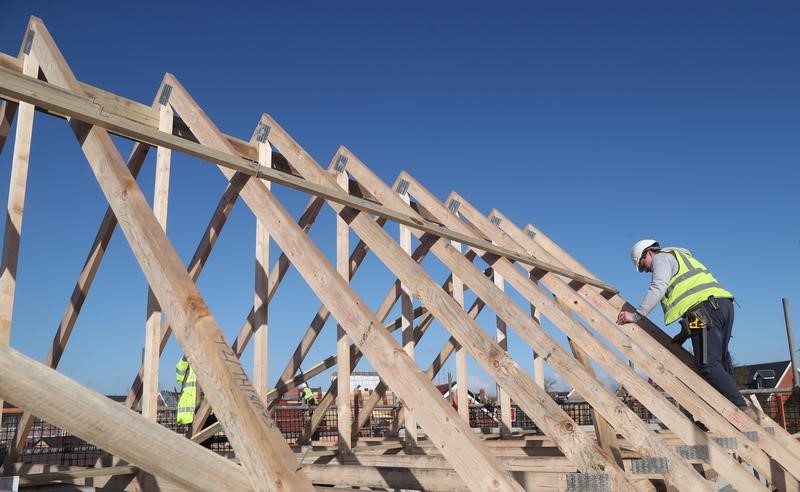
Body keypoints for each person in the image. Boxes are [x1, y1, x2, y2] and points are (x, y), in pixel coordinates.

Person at [616, 239, 755, 417]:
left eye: (643, 265)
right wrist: (685, 333)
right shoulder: (681, 258)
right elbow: (690, 295)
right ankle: (727, 406)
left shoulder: (661, 259)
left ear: (649, 252)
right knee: (718, 360)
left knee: (708, 364)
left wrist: (635, 316)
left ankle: (741, 410)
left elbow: (658, 287)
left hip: (703, 309)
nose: (645, 271)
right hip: (722, 305)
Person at [175, 355, 197, 426]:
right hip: (190, 415)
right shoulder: (187, 365)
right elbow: (179, 377)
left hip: (205, 411)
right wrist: (186, 357)